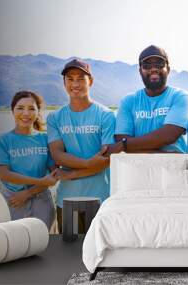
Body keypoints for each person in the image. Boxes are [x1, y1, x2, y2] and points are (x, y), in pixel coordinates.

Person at [47, 59, 115, 233]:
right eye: (70, 79)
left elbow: (106, 160)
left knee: (101, 255)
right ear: (64, 83)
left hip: (100, 198)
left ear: (90, 82)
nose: (75, 84)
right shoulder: (55, 118)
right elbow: (57, 154)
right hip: (66, 199)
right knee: (68, 254)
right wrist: (88, 163)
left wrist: (71, 174)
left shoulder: (106, 115)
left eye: (80, 79)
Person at [108, 45, 188, 154]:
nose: (153, 69)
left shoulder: (181, 97)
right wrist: (163, 155)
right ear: (140, 71)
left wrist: (125, 145)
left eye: (159, 64)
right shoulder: (128, 101)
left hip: (174, 168)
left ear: (168, 69)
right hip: (137, 168)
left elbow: (169, 135)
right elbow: (121, 138)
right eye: (147, 65)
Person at [0, 91, 57, 230]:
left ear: (38, 112)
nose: (26, 113)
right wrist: (40, 181)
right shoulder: (1, 140)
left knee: (41, 243)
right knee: (14, 245)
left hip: (42, 201)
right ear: (12, 110)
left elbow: (53, 175)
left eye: (32, 108)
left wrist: (28, 193)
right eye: (20, 108)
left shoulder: (46, 139)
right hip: (13, 201)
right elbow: (4, 174)